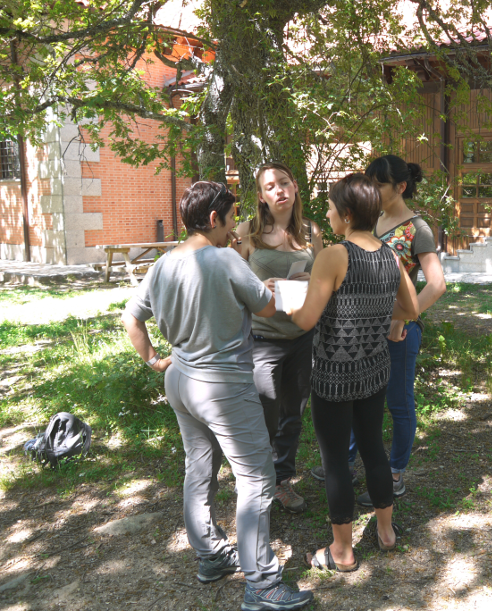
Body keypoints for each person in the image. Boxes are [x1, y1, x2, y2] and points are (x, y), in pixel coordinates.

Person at [122, 181, 313, 611]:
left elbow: (131, 320)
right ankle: (262, 584)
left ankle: (209, 555)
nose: (234, 229)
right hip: (223, 386)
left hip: (182, 381)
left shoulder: (164, 263)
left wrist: (155, 360)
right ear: (214, 219)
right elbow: (267, 308)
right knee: (257, 478)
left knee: (199, 469)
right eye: (230, 219)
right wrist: (272, 285)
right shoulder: (225, 257)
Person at [281, 173, 419, 571]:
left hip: (333, 374)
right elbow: (410, 309)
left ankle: (341, 552)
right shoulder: (389, 253)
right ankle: (387, 532)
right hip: (374, 369)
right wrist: (373, 315)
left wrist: (287, 300)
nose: (326, 215)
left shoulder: (334, 255)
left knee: (336, 460)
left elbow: (307, 319)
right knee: (374, 448)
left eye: (329, 208)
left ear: (345, 213)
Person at [310, 155, 446, 505]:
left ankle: (396, 472)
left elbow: (437, 284)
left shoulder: (419, 229)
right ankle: (348, 462)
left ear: (400, 187)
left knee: (398, 404)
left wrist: (403, 318)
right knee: (359, 402)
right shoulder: (371, 221)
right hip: (363, 333)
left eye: (379, 183)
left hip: (397, 333)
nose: (371, 189)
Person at [234, 162, 323, 514]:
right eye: (270, 186)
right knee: (263, 412)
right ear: (261, 196)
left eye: (284, 182)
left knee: (293, 414)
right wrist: (259, 288)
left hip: (303, 337)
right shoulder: (247, 232)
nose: (279, 190)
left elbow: (324, 279)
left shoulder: (311, 231)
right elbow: (230, 282)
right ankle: (257, 481)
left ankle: (282, 481)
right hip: (263, 338)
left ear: (295, 186)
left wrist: (309, 282)